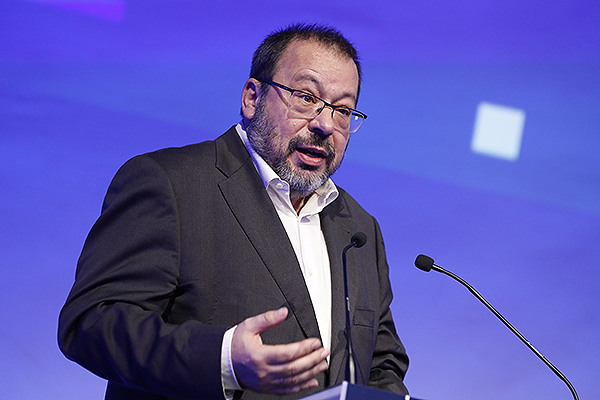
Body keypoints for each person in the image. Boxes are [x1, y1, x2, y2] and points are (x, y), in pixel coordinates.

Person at [58, 23, 409, 400]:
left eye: (343, 110)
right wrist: (223, 359)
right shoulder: (171, 184)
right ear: (251, 98)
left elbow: (380, 362)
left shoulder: (357, 228)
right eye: (306, 97)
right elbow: (93, 322)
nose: (325, 124)